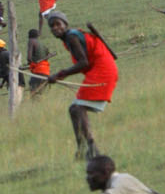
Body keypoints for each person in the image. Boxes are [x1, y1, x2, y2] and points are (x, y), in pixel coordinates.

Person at [46, 16, 119, 160]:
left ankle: (90, 149)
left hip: (103, 70)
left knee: (77, 108)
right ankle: (83, 148)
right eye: (52, 26)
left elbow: (83, 62)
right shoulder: (70, 38)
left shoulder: (72, 37)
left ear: (65, 24)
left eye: (58, 24)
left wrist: (61, 74)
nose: (55, 28)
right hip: (102, 69)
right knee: (74, 109)